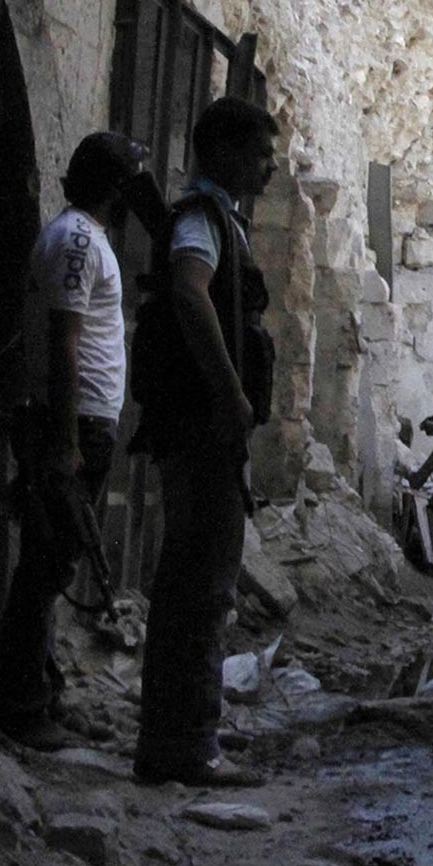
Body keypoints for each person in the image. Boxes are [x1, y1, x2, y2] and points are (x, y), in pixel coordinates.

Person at [130, 95, 277, 786]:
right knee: (199, 582)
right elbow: (191, 293)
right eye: (259, 152)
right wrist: (229, 391)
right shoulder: (202, 219)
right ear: (222, 151)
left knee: (200, 580)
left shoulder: (223, 220)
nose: (269, 165)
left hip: (203, 424)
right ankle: (185, 747)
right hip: (200, 423)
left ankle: (187, 734)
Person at [0, 130, 147, 751]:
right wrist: (62, 442)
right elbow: (64, 339)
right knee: (43, 566)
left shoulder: (86, 239)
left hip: (83, 422)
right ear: (117, 188)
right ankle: (23, 708)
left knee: (54, 563)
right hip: (73, 422)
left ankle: (44, 698)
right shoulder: (80, 240)